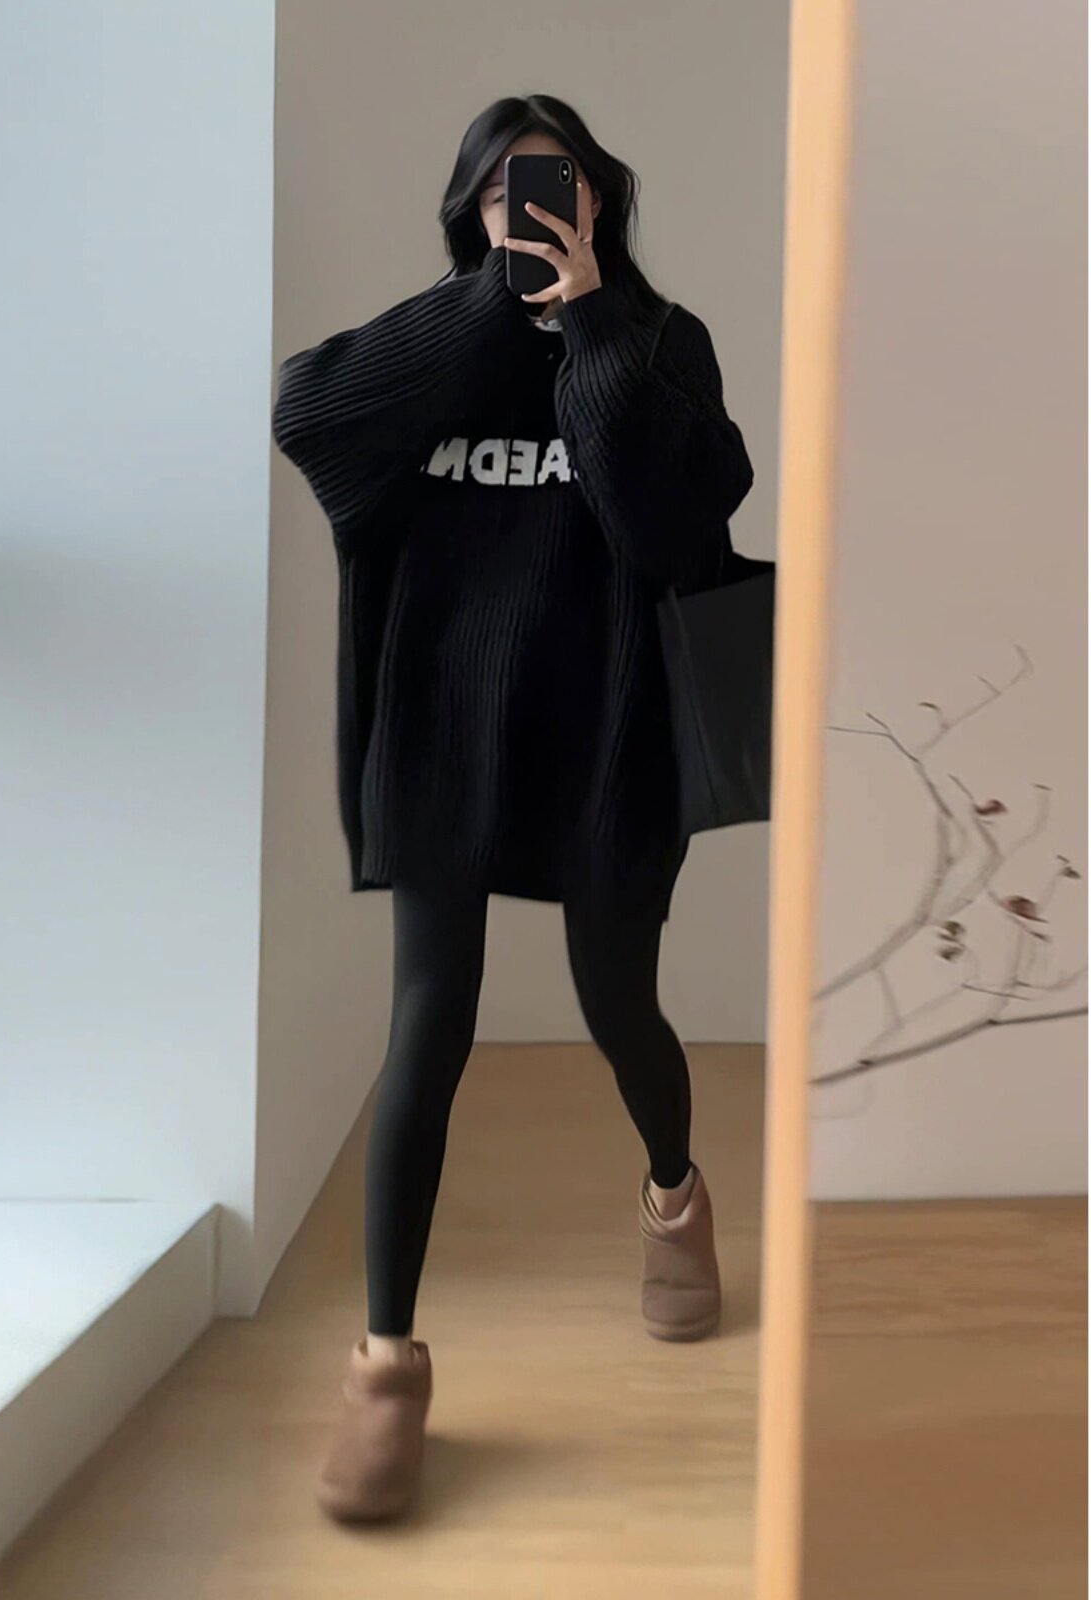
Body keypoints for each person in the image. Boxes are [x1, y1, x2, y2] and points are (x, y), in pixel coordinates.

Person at [271, 93, 754, 1524]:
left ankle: (673, 1193)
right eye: (500, 193)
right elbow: (304, 414)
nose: (527, 211)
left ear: (599, 199)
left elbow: (673, 528)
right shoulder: (433, 352)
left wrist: (590, 323)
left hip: (609, 734)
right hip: (444, 734)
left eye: (552, 188)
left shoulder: (661, 345)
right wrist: (492, 301)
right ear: (468, 211)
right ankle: (384, 1368)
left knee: (619, 1001)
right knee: (429, 1021)